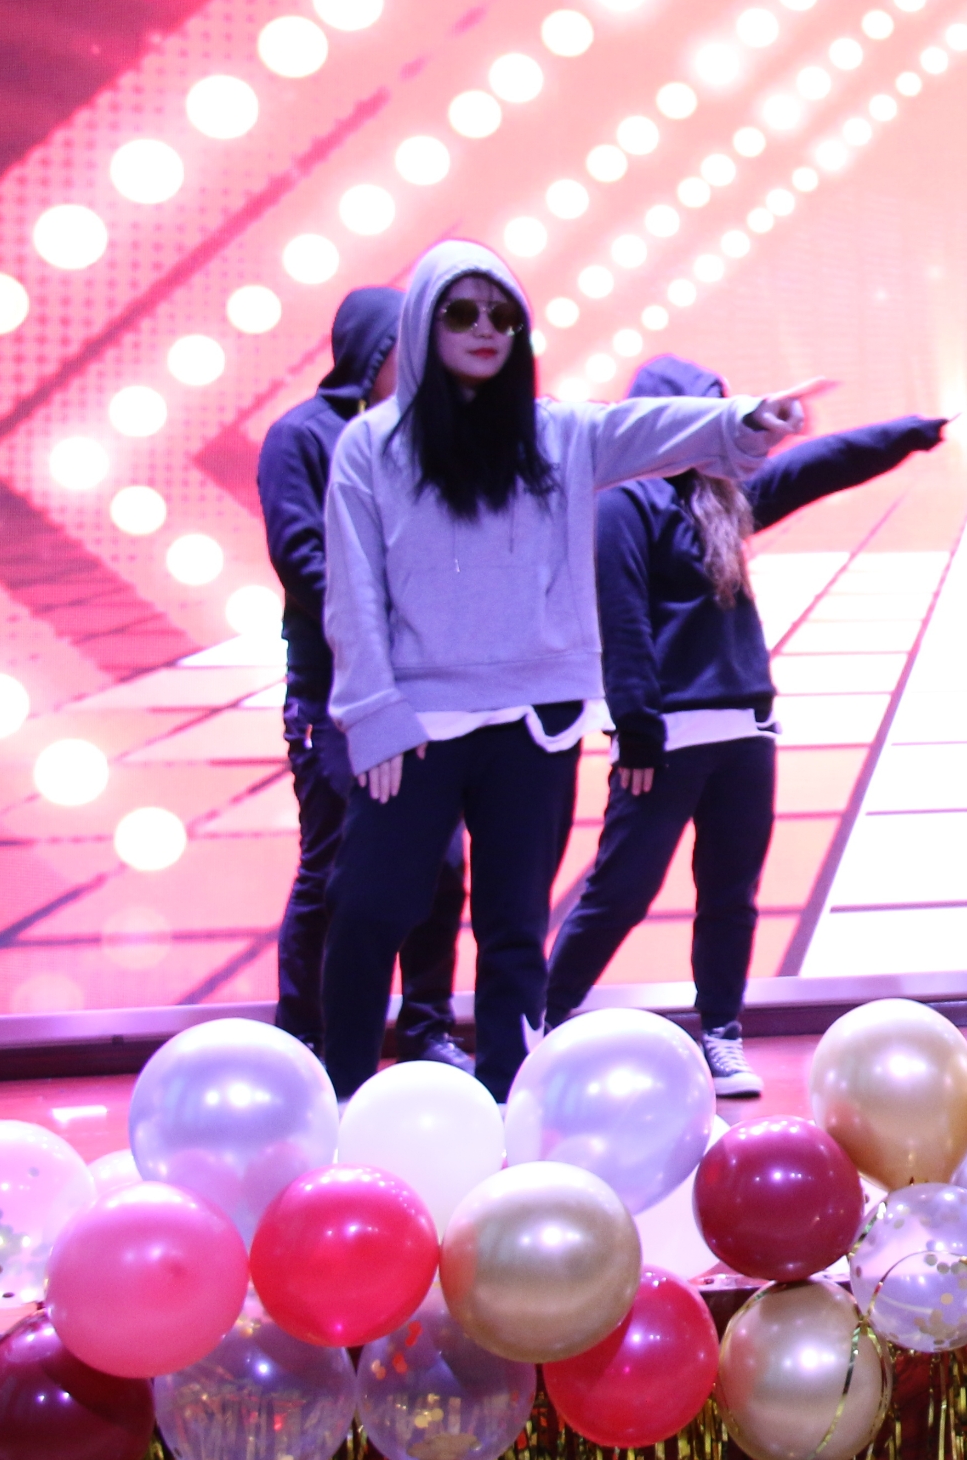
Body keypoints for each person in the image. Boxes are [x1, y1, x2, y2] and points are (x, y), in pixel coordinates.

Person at [319, 240, 829, 1099]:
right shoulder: (371, 446)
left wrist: (749, 418)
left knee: (515, 930)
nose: (486, 329)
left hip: (536, 724)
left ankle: (509, 1108)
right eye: (462, 312)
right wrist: (372, 713)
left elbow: (650, 428)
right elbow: (352, 588)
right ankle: (341, 1101)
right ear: (423, 325)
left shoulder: (555, 433)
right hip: (415, 727)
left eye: (503, 316)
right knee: (371, 912)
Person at [540, 357, 947, 1097]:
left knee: (730, 896)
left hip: (745, 733)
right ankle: (541, 1020)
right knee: (620, 892)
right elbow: (621, 617)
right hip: (664, 740)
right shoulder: (622, 501)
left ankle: (721, 1034)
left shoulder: (722, 497)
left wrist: (910, 433)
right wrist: (636, 726)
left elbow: (819, 466)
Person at [256, 287, 470, 1069]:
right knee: (339, 863)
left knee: (442, 866)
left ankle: (426, 1027)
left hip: (431, 696)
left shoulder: (428, 437)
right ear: (375, 350)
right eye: (409, 345)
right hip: (338, 696)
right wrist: (387, 625)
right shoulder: (302, 437)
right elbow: (301, 557)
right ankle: (305, 1035)